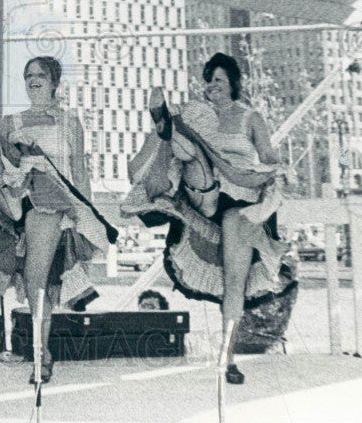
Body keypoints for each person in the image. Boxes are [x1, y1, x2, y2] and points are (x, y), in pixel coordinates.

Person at [0, 47, 112, 384]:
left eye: (39, 77)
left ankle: (41, 351)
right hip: (17, 195)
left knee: (38, 283)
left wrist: (85, 215)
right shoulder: (14, 121)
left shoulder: (69, 122)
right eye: (28, 77)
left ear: (54, 83)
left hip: (53, 203)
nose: (32, 81)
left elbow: (79, 171)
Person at [120, 52, 288, 385]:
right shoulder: (201, 114)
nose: (214, 87)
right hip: (206, 195)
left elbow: (268, 157)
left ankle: (228, 357)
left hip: (240, 197)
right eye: (209, 80)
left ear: (233, 83)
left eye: (220, 80)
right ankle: (167, 126)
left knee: (234, 283)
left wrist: (280, 172)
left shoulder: (250, 118)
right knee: (193, 152)